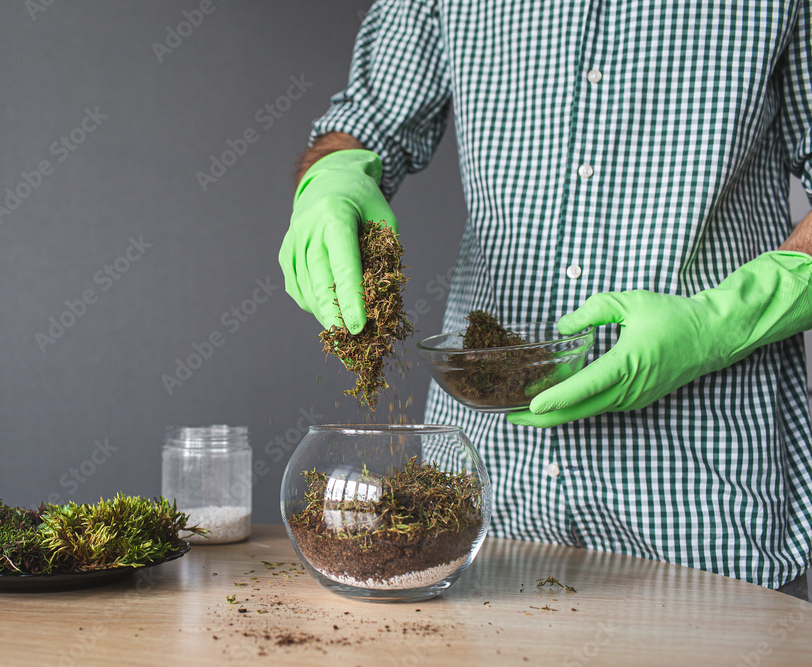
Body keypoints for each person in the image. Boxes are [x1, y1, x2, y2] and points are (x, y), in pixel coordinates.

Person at [279, 1, 812, 600]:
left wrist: (725, 319)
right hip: (481, 492)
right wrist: (333, 177)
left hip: (702, 496)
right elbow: (365, 120)